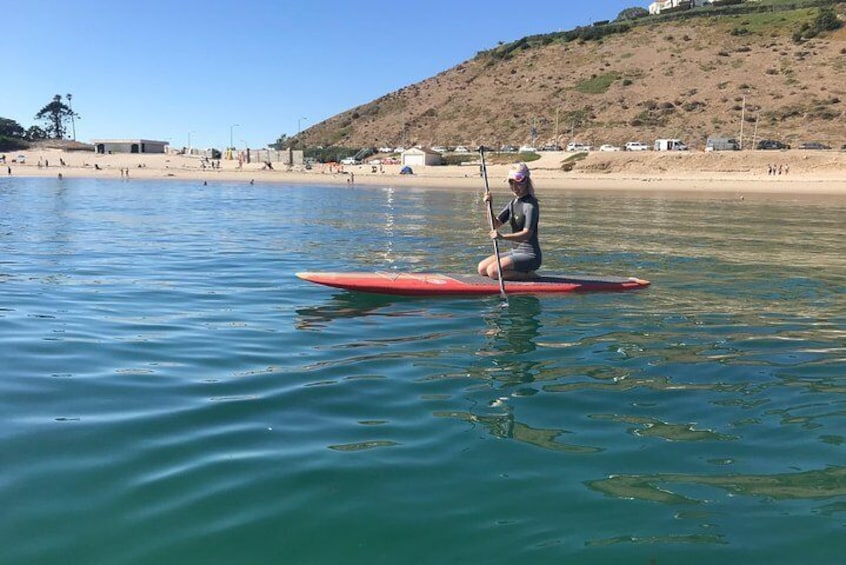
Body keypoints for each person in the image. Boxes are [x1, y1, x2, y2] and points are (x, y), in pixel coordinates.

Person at [477, 162, 542, 281]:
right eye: (511, 183)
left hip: (530, 256)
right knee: (482, 268)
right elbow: (495, 224)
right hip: (515, 252)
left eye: (518, 183)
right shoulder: (513, 204)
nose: (514, 187)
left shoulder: (530, 205)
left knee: (493, 272)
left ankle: (528, 275)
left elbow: (527, 234)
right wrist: (488, 206)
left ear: (526, 181)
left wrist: (502, 237)